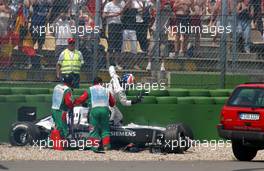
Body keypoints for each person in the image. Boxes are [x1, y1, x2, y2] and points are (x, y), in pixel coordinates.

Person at [73, 77, 116, 152]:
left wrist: (74, 101)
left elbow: (81, 99)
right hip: (105, 110)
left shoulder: (90, 89)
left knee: (93, 130)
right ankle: (106, 146)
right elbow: (112, 103)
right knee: (105, 129)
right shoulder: (106, 90)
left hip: (95, 110)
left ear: (93, 83)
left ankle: (94, 147)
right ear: (101, 83)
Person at [51, 74, 76, 139]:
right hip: (61, 110)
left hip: (53, 108)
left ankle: (54, 139)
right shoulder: (67, 90)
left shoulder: (57, 86)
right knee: (62, 127)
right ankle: (62, 142)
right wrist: (72, 105)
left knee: (56, 126)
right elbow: (68, 102)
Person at [103, 0, 125, 70]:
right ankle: (108, 63)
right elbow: (103, 15)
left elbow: (123, 14)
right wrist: (114, 14)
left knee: (118, 47)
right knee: (111, 46)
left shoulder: (122, 3)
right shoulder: (109, 4)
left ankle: (117, 63)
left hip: (119, 25)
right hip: (111, 25)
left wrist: (121, 15)